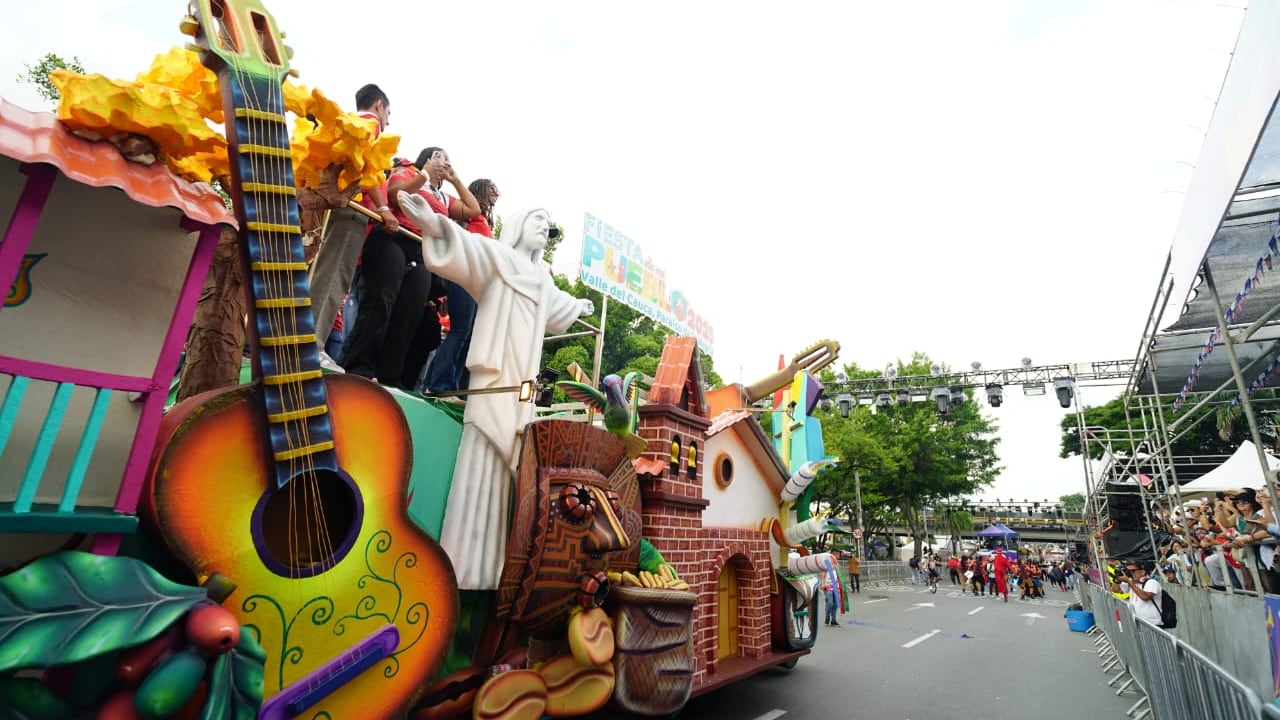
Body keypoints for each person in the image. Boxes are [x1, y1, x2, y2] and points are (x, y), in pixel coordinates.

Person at [398, 196, 595, 590]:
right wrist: (433, 223)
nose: (544, 229)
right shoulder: (499, 258)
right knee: (484, 451)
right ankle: (459, 562)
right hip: (494, 376)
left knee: (510, 462)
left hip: (523, 382)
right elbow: (468, 247)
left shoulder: (542, 280)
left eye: (547, 226)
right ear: (519, 225)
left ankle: (491, 567)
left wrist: (579, 305)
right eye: (538, 220)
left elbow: (558, 309)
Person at [342, 148, 479, 388]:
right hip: (393, 237)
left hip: (420, 249)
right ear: (426, 159)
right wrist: (425, 174)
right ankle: (359, 366)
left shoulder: (443, 197)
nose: (444, 162)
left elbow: (473, 210)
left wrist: (455, 179)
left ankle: (389, 376)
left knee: (409, 312)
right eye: (439, 157)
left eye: (447, 159)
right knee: (381, 300)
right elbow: (395, 196)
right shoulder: (407, 173)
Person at [309, 83, 398, 370]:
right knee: (334, 275)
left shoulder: (347, 122)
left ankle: (307, 341)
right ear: (379, 105)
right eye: (388, 113)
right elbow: (367, 169)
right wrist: (383, 208)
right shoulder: (369, 125)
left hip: (332, 204)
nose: (387, 121)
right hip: (353, 208)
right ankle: (311, 345)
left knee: (322, 273)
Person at [423, 178, 500, 394]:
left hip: (477, 281)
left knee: (468, 335)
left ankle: (450, 386)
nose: (497, 193)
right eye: (492, 189)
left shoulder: (485, 219)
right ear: (480, 190)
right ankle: (438, 385)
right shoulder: (469, 213)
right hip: (464, 275)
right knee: (460, 331)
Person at [1113, 561, 1164, 627]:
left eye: (1133, 571)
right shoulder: (1133, 583)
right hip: (1138, 623)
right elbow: (1116, 589)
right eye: (1129, 571)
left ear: (1143, 572)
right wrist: (1117, 579)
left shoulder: (1151, 582)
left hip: (1153, 624)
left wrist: (1129, 581)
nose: (1131, 573)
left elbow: (1145, 597)